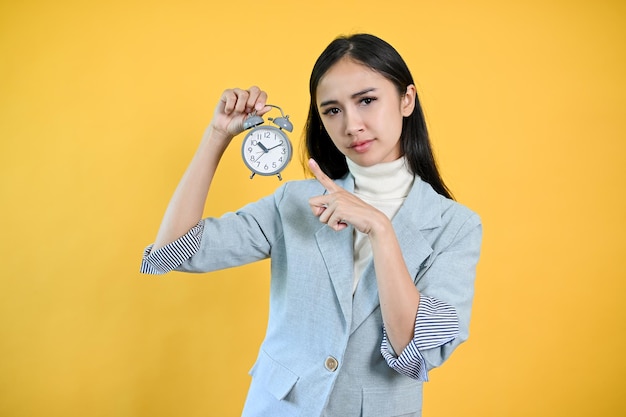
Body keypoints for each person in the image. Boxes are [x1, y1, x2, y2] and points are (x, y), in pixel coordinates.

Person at [141, 33, 482, 417]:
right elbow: (172, 253)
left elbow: (415, 351)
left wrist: (381, 230)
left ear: (407, 99)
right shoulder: (295, 202)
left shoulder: (456, 226)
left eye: (367, 101)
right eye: (332, 110)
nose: (352, 124)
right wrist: (217, 135)